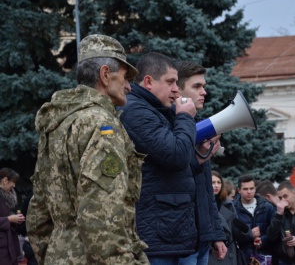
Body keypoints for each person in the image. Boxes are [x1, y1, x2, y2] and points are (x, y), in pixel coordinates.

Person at [26, 34, 149, 264]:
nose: (129, 87)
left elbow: (38, 213)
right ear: (105, 75)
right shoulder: (101, 124)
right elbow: (101, 216)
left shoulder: (59, 122)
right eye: (124, 77)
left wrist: (53, 255)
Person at [118, 52, 225, 264]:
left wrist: (200, 159)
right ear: (148, 81)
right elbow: (176, 157)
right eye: (171, 82)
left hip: (172, 231)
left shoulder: (157, 110)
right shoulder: (137, 111)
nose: (176, 89)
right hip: (159, 235)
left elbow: (176, 167)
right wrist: (185, 117)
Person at [176, 60, 227, 264]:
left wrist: (216, 234)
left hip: (201, 238)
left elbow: (206, 191)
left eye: (203, 86)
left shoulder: (196, 128)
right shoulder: (174, 129)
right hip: (182, 238)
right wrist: (198, 158)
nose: (204, 92)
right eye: (196, 87)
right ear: (178, 90)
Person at [233, 175, 276, 263]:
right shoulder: (233, 209)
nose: (249, 192)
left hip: (264, 256)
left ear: (255, 189)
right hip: (243, 257)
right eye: (245, 189)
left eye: (251, 188)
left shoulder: (267, 207)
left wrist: (262, 240)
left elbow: (274, 231)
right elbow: (233, 235)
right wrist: (249, 234)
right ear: (239, 190)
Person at [209, 170, 241, 265]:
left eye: (219, 182)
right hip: (210, 251)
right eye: (213, 182)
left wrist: (248, 232)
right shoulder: (203, 204)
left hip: (228, 252)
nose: (216, 185)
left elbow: (235, 227)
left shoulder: (228, 204)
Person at [0, 168, 25, 265]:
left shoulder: (6, 197)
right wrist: (9, 219)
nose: (14, 185)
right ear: (5, 180)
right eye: (13, 182)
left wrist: (15, 220)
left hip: (9, 247)